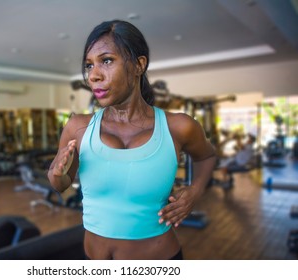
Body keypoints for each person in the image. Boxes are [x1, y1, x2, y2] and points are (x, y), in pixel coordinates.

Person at [47, 20, 216, 260]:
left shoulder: (178, 126)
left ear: (139, 65)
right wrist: (56, 174)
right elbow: (61, 184)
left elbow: (207, 156)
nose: (93, 75)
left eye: (106, 61)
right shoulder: (78, 128)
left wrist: (195, 191)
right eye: (89, 65)